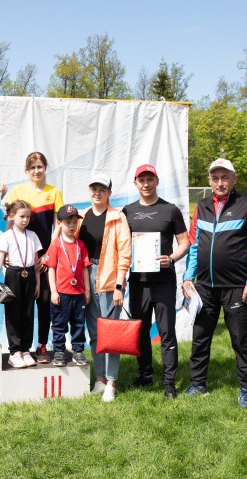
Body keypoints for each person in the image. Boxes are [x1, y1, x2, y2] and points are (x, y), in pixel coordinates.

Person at [183, 158, 247, 408]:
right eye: (215, 178)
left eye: (225, 177)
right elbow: (194, 246)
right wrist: (188, 277)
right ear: (210, 181)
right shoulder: (201, 207)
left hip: (237, 287)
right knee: (200, 338)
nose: (220, 182)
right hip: (204, 287)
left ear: (234, 179)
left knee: (241, 341)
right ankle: (197, 383)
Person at [122, 165, 189, 399]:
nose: (146, 184)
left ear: (157, 181)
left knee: (166, 332)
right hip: (138, 282)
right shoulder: (127, 212)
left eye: (150, 179)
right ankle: (145, 375)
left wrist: (172, 258)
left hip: (163, 281)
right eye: (141, 180)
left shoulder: (170, 210)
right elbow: (121, 245)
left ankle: (169, 382)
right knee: (140, 331)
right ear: (135, 183)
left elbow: (184, 242)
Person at [77, 173, 131, 402]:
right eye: (94, 189)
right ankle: (99, 379)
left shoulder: (118, 217)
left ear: (109, 192)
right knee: (94, 333)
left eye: (102, 189)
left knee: (111, 333)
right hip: (87, 277)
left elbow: (125, 253)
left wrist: (119, 284)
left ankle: (111, 382)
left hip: (110, 278)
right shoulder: (81, 217)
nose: (97, 193)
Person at [6, 152, 64, 363]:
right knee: (20, 305)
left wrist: (48, 254)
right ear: (27, 170)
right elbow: (10, 222)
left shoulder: (54, 192)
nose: (37, 171)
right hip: (22, 260)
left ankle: (41, 345)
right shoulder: (18, 191)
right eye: (33, 167)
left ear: (45, 167)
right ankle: (19, 349)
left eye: (40, 166)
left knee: (45, 302)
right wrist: (7, 251)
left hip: (45, 258)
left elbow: (58, 225)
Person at [0, 200, 41, 368]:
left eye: (28, 216)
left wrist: (38, 283)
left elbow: (36, 262)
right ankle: (14, 352)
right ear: (12, 216)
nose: (25, 220)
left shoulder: (32, 235)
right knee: (13, 314)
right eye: (22, 216)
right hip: (13, 275)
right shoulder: (6, 236)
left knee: (28, 313)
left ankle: (26, 350)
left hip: (30, 275)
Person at [44, 204, 90, 367]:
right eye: (68, 222)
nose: (72, 226)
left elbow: (85, 268)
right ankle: (59, 351)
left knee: (78, 324)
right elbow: (51, 269)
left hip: (78, 293)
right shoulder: (56, 244)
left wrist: (87, 290)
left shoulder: (80, 245)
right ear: (59, 223)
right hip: (61, 293)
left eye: (74, 222)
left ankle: (78, 351)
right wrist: (53, 291)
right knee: (59, 323)